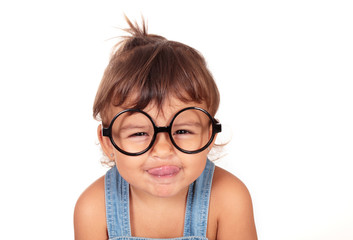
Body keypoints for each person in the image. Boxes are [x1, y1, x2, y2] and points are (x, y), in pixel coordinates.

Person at [74, 17, 257, 240]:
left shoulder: (229, 199)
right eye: (139, 133)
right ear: (108, 143)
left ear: (209, 135)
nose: (163, 150)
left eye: (182, 131)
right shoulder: (93, 209)